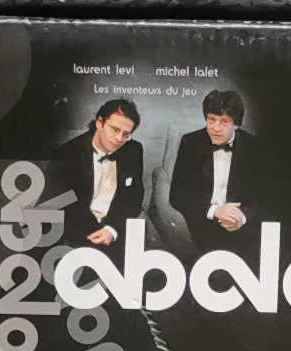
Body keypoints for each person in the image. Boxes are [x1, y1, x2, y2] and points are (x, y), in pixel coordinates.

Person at [168, 89, 268, 253]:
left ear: (236, 125)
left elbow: (265, 197)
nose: (215, 128)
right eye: (211, 120)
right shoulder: (191, 143)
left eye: (224, 122)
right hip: (203, 223)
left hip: (242, 228)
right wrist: (215, 211)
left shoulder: (254, 148)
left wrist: (242, 217)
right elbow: (177, 195)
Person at [49, 98, 145, 247]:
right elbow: (65, 203)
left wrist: (112, 229)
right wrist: (93, 233)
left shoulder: (133, 150)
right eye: (115, 129)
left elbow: (134, 196)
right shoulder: (68, 153)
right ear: (99, 123)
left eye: (126, 134)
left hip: (115, 232)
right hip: (75, 234)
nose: (119, 139)